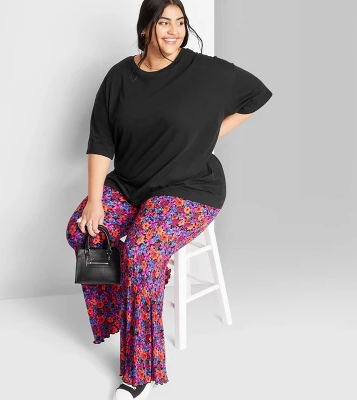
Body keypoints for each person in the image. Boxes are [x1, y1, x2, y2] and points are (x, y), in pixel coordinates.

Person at [66, 1, 273, 399]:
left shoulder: (205, 71)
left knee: (141, 253)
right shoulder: (119, 77)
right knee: (82, 230)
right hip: (132, 183)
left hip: (188, 187)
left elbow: (257, 94)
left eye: (180, 23)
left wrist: (208, 135)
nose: (174, 31)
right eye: (164, 23)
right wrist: (95, 200)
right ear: (146, 28)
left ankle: (138, 371)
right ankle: (123, 310)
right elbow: (101, 142)